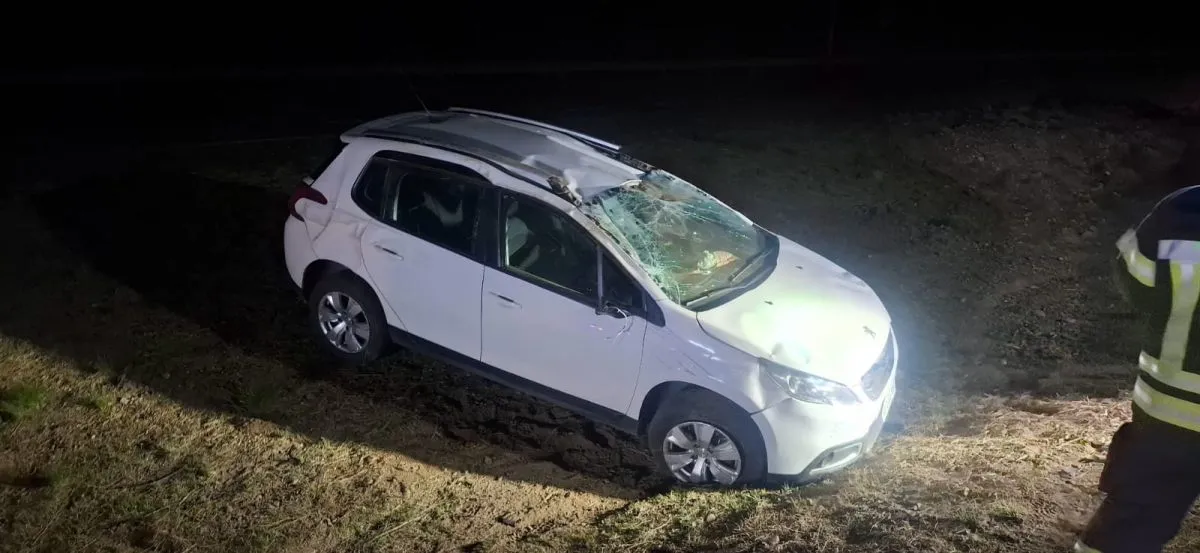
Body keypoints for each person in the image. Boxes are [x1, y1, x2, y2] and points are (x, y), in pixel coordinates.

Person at [1075, 184, 1200, 553]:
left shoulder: (1183, 207)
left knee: (1126, 529)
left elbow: (1134, 280)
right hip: (1164, 418)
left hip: (1166, 415)